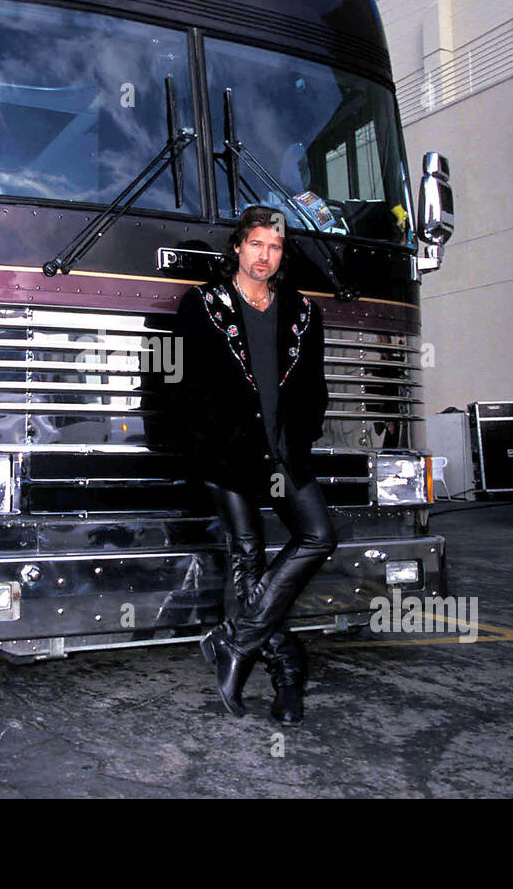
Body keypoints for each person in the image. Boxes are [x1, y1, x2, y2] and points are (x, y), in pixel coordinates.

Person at [174, 205, 339, 723]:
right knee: (247, 559)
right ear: (238, 248)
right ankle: (289, 676)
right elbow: (184, 386)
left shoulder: (304, 311)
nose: (264, 255)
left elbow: (314, 388)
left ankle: (234, 642)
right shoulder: (202, 304)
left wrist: (298, 438)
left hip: (284, 452)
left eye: (275, 246)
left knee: (318, 535)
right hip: (227, 452)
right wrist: (215, 443)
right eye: (256, 244)